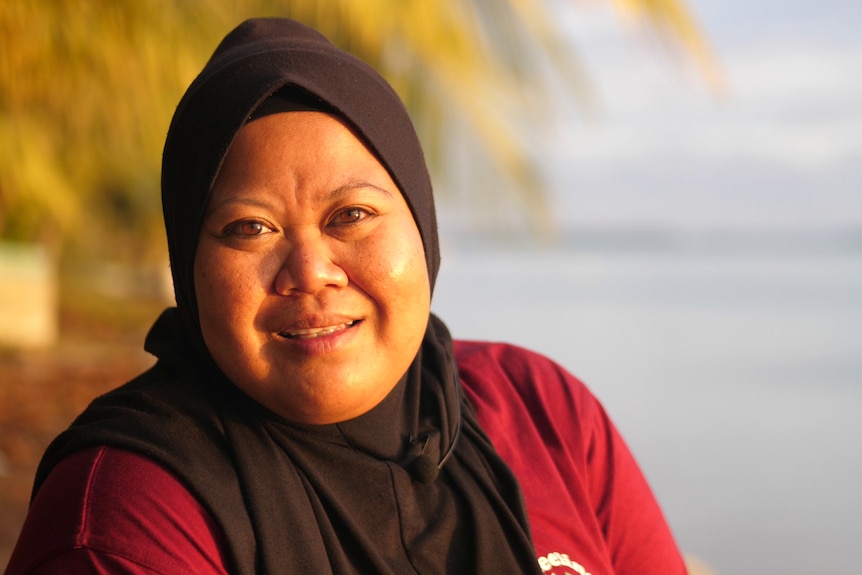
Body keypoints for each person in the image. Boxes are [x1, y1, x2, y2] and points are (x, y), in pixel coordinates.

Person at [4, 18, 687, 575]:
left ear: (421, 225)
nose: (311, 270)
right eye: (250, 228)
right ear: (190, 268)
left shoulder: (544, 415)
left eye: (351, 215)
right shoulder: (131, 518)